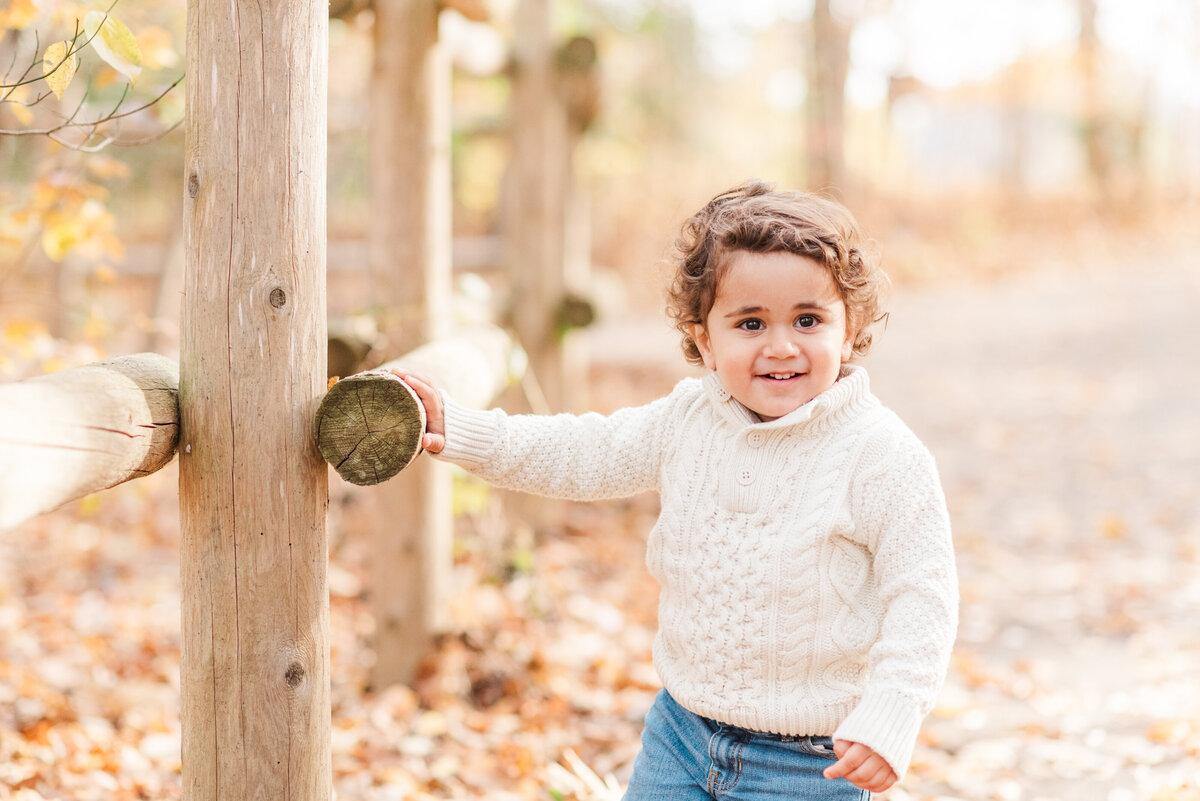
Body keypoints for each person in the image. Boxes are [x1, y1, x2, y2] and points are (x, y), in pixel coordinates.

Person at [392, 180, 958, 800]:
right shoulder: (689, 419)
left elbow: (923, 595)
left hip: (810, 762)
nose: (781, 346)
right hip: (682, 736)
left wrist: (893, 711)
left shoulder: (881, 456)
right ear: (705, 339)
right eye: (750, 322)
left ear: (848, 330)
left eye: (808, 319)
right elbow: (584, 453)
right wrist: (463, 427)